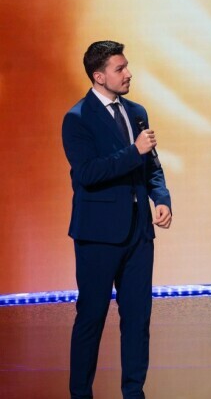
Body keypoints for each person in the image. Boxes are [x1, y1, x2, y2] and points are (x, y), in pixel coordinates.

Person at [62, 40, 172, 398]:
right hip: (98, 235)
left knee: (138, 318)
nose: (128, 74)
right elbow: (88, 173)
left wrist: (161, 198)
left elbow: (152, 165)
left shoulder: (136, 111)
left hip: (139, 232)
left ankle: (134, 392)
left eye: (126, 67)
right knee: (91, 317)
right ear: (99, 76)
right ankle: (81, 393)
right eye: (120, 68)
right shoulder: (77, 118)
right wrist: (133, 151)